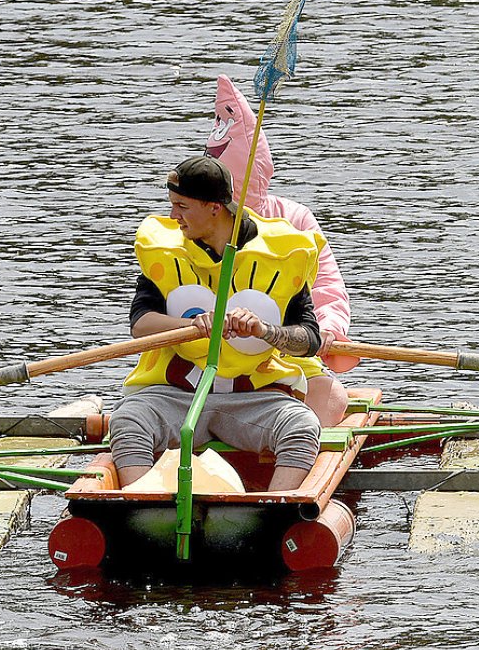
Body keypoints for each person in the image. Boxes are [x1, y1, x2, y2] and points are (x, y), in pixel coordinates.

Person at [111, 154, 326, 492]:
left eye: (182, 206)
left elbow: (309, 339)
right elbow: (141, 323)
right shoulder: (165, 251)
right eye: (172, 205)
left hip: (253, 397)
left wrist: (264, 331)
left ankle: (277, 512)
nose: (173, 216)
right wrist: (193, 324)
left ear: (215, 207)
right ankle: (140, 504)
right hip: (174, 394)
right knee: (127, 420)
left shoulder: (284, 256)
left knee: (302, 426)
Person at [206, 74, 356, 426]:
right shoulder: (192, 221)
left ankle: (296, 450)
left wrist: (327, 329)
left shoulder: (294, 219)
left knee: (331, 397)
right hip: (208, 355)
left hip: (286, 350)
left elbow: (326, 287)